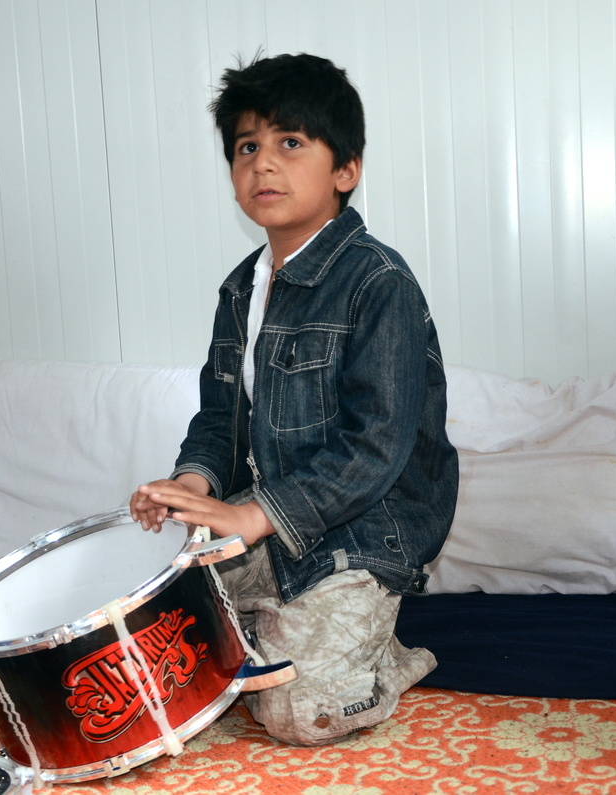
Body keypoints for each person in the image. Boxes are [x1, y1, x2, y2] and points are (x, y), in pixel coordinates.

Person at [129, 53, 459, 746]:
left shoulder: (378, 282)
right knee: (158, 664)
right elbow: (219, 418)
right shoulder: (239, 289)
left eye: (290, 142)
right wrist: (190, 486)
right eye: (247, 147)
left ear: (345, 170)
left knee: (296, 715)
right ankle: (273, 627)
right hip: (268, 528)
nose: (263, 164)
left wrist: (252, 513)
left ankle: (386, 658)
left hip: (365, 536)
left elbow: (376, 448)